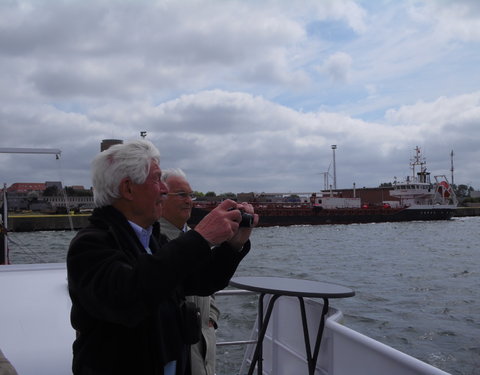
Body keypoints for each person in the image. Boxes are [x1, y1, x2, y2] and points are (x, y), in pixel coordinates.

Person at [67, 139, 258, 375]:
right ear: (128, 188)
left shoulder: (153, 240)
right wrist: (201, 238)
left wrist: (234, 244)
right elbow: (128, 297)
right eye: (156, 179)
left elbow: (201, 281)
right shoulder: (90, 245)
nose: (164, 189)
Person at [159, 168, 218, 375]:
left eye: (190, 195)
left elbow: (208, 283)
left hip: (203, 342)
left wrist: (211, 317)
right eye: (182, 195)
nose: (189, 201)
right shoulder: (154, 240)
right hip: (176, 348)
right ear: (161, 197)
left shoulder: (197, 238)